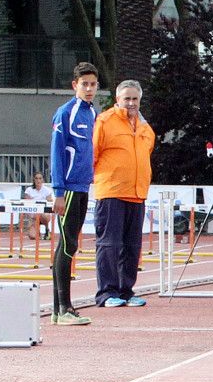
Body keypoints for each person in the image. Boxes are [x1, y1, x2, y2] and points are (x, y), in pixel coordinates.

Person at [91, 80, 155, 308]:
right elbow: (93, 154)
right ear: (117, 99)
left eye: (135, 99)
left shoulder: (144, 127)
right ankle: (106, 293)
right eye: (126, 98)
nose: (130, 103)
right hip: (111, 192)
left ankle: (126, 291)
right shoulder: (105, 122)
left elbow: (145, 152)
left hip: (137, 194)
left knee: (132, 246)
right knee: (109, 244)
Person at [50, 62, 100, 326]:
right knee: (68, 244)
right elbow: (56, 153)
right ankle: (63, 307)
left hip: (83, 186)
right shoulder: (65, 113)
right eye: (85, 84)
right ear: (75, 86)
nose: (89, 89)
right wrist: (58, 190)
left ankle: (61, 310)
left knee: (69, 244)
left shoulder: (91, 113)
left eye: (93, 84)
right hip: (68, 188)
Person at [21, 171, 54, 241]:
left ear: (43, 180)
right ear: (34, 179)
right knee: (32, 237)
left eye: (40, 178)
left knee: (44, 215)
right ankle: (37, 230)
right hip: (33, 216)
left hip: (44, 215)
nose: (38, 180)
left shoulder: (47, 190)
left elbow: (50, 204)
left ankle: (47, 229)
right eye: (36, 178)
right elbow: (26, 205)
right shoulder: (29, 190)